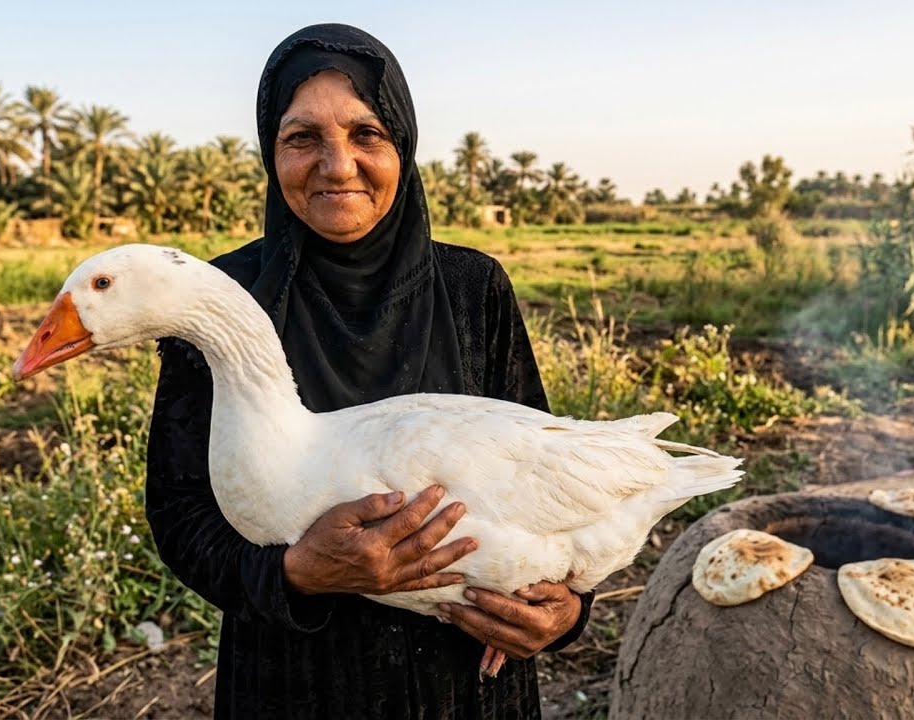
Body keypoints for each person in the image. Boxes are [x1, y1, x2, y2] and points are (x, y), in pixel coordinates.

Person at [145, 23, 593, 719]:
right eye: (303, 137)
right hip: (292, 685)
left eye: (366, 134)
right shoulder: (222, 299)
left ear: (402, 146)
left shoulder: (473, 288)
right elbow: (180, 513)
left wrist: (566, 611)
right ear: (270, 150)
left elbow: (552, 473)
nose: (337, 165)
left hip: (464, 687)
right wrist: (295, 573)